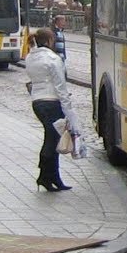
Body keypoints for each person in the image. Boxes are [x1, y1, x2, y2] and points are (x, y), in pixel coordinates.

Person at [24, 28, 79, 192]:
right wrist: (69, 111)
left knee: (51, 137)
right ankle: (47, 176)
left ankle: (50, 177)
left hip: (37, 102)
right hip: (52, 102)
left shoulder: (30, 57)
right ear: (49, 41)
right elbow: (61, 87)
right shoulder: (53, 59)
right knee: (52, 141)